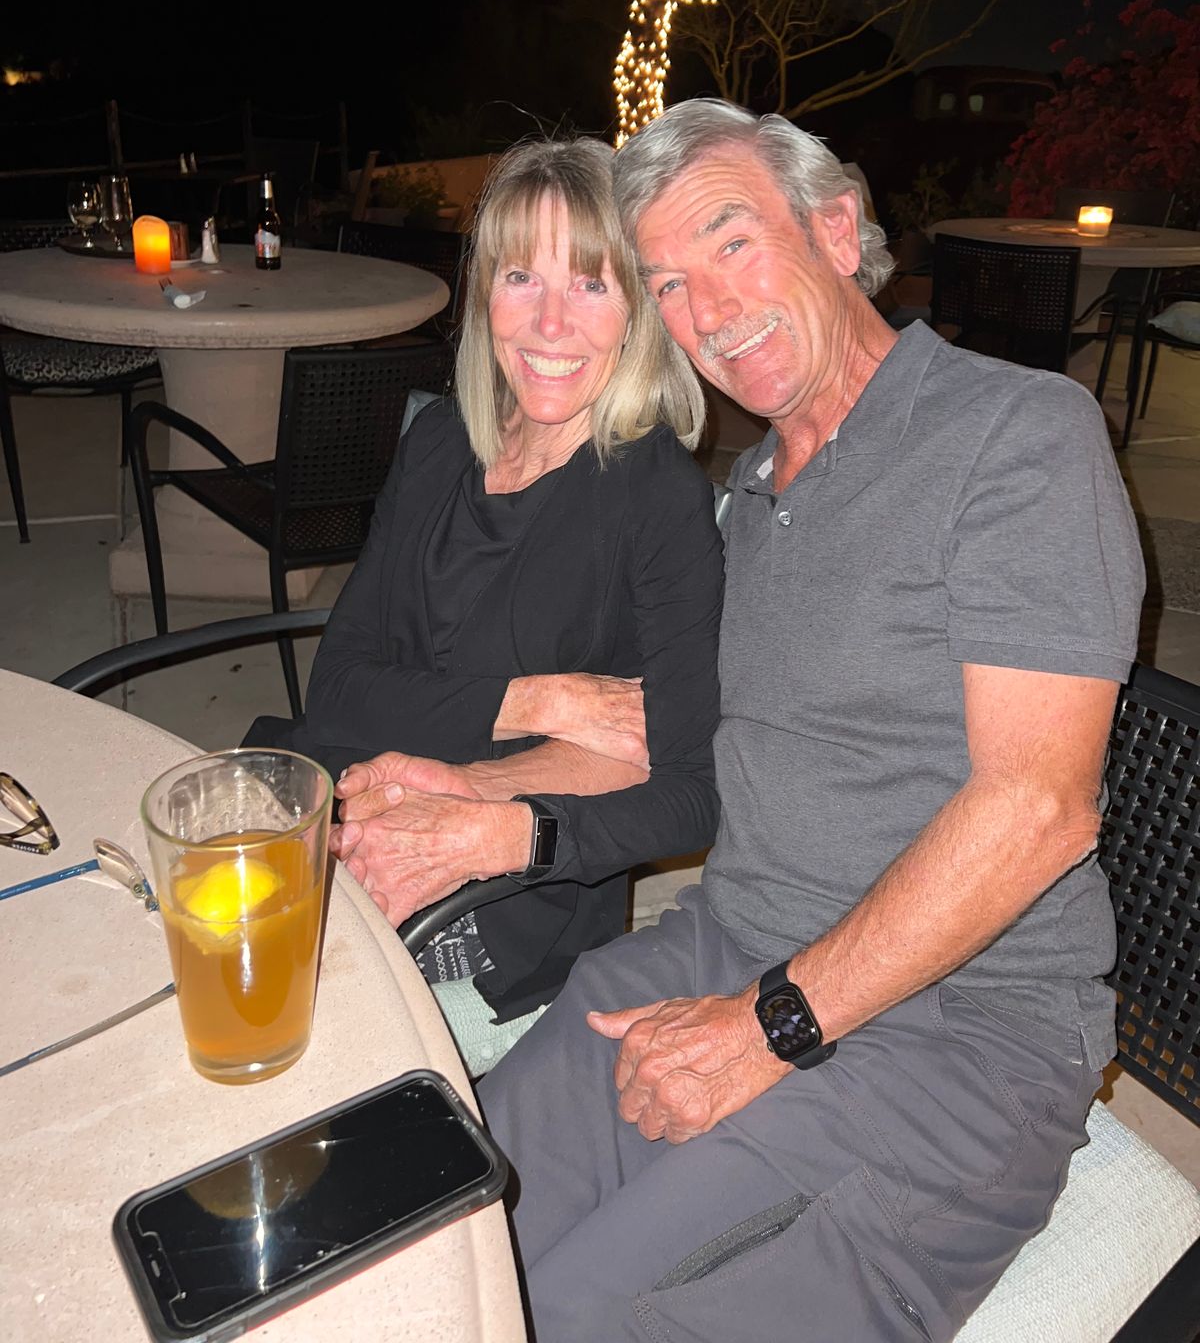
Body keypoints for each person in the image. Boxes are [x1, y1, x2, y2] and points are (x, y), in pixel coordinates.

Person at [473, 99, 1145, 1341]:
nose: (710, 308)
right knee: (449, 1220)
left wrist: (771, 1023)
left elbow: (1038, 808)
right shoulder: (748, 497)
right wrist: (454, 793)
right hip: (726, 943)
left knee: (578, 1312)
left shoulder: (1015, 434)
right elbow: (675, 733)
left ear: (838, 231)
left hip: (966, 1036)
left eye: (732, 242)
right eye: (670, 285)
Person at [291, 137, 724, 1074]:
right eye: (521, 276)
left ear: (639, 311)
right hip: (351, 799)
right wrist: (537, 702)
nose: (550, 323)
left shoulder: (657, 499)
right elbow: (336, 688)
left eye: (592, 284)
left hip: (503, 907)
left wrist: (481, 810)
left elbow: (694, 793)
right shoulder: (441, 441)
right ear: (484, 292)